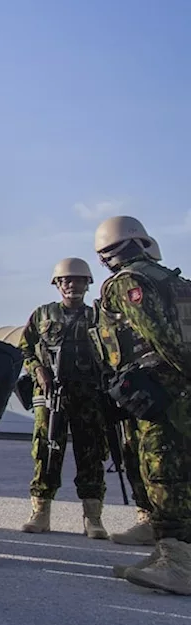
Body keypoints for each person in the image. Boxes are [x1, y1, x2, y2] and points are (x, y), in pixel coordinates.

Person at [92, 215, 191, 595]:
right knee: (177, 471)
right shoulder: (174, 280)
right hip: (174, 390)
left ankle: (178, 561)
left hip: (161, 391)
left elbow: (162, 336)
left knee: (163, 471)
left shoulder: (129, 283)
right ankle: (172, 553)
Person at [18, 258, 110, 537]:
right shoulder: (43, 315)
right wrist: (39, 372)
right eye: (66, 280)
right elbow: (25, 349)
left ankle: (93, 519)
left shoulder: (97, 315)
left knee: (92, 452)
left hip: (89, 395)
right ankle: (40, 513)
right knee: (47, 451)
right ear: (57, 284)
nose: (73, 285)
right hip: (50, 395)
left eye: (79, 280)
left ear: (88, 284)